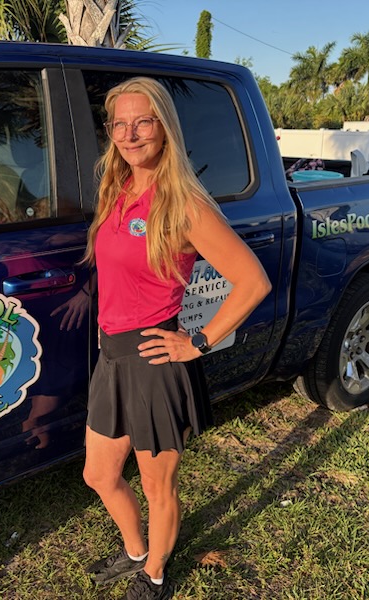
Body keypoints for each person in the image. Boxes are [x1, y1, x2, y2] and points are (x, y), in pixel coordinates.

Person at [81, 76, 272, 599]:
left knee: (156, 485)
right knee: (98, 474)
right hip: (112, 358)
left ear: (164, 127)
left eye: (142, 121)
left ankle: (156, 574)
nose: (129, 133)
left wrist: (198, 342)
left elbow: (253, 280)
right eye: (119, 123)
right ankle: (136, 550)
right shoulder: (116, 190)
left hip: (154, 361)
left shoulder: (183, 202)